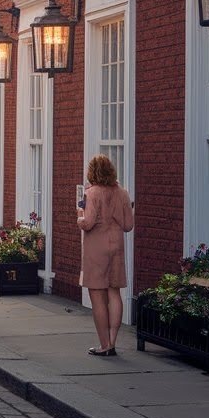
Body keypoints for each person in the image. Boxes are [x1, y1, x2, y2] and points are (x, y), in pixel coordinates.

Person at [78, 153, 135, 357]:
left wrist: (79, 218)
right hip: (116, 245)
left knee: (97, 296)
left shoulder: (90, 193)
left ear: (92, 172)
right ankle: (113, 340)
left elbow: (88, 222)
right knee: (114, 292)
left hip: (97, 247)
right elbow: (128, 225)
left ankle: (104, 345)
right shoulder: (123, 193)